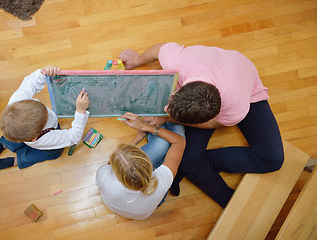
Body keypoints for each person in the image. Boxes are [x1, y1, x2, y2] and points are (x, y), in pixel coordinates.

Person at [118, 42, 284, 208]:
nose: (164, 110)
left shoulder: (236, 110)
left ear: (199, 119)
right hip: (225, 72)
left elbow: (212, 124)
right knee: (191, 160)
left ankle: (197, 166)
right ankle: (225, 196)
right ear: (183, 89)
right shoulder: (179, 60)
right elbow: (158, 49)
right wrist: (138, 59)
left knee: (272, 159)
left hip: (245, 92)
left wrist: (167, 120)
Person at [0, 65, 90, 171]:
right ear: (34, 137)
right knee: (53, 153)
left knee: (14, 130)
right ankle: (16, 160)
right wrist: (80, 111)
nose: (48, 113)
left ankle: (4, 143)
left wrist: (43, 73)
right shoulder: (46, 138)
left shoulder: (17, 102)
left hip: (20, 134)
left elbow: (30, 82)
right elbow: (73, 137)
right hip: (42, 141)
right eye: (46, 118)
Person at [96, 112, 185, 220]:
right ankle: (166, 117)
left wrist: (139, 136)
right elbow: (179, 141)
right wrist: (145, 126)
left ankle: (161, 120)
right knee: (166, 145)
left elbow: (112, 163)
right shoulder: (162, 180)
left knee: (164, 146)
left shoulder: (104, 175)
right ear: (148, 163)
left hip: (129, 206)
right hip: (154, 199)